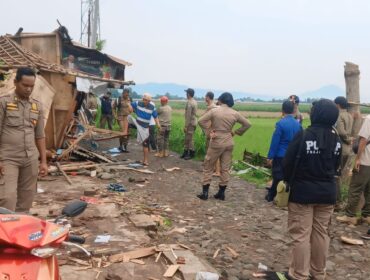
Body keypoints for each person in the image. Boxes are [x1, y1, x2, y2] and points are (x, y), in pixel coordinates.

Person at [283, 99, 341, 280]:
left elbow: (288, 163)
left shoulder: (304, 135)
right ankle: (318, 273)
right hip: (327, 193)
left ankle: (299, 274)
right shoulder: (336, 139)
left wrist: (287, 181)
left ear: (315, 114)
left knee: (300, 234)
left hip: (302, 193)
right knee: (321, 233)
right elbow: (337, 165)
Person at [0, 67, 48, 212]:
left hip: (30, 158)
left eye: (31, 86)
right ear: (15, 82)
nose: (28, 89)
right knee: (7, 198)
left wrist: (44, 162)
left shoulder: (37, 106)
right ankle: (4, 232)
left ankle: (20, 231)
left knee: (26, 198)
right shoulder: (4, 103)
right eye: (25, 85)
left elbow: (40, 135)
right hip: (8, 158)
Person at [197, 92, 251, 201]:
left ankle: (205, 193)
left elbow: (200, 121)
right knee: (225, 168)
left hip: (216, 140)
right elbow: (247, 124)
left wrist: (209, 131)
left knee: (208, 166)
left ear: (221, 100)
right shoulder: (235, 113)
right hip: (229, 141)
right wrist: (236, 132)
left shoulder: (214, 111)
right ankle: (221, 194)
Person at [337, 113, 370, 225]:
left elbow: (364, 140)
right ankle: (367, 215)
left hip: (366, 159)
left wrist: (358, 158)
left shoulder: (369, 119)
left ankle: (350, 215)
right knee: (369, 189)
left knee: (355, 187)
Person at [265, 100, 302, 202]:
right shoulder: (298, 125)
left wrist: (270, 156)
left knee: (277, 176)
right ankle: (287, 197)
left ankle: (272, 195)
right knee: (289, 176)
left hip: (281, 154)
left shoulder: (280, 124)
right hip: (293, 155)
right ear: (294, 111)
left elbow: (275, 141)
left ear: (282, 110)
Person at [131, 93, 161, 166]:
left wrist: (158, 125)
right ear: (143, 99)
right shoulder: (138, 103)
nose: (146, 102)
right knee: (128, 118)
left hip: (145, 127)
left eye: (148, 101)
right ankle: (125, 133)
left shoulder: (152, 106)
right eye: (145, 100)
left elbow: (155, 116)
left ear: (150, 101)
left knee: (145, 144)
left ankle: (145, 160)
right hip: (137, 124)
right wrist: (132, 110)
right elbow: (130, 105)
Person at [334, 96, 353, 204]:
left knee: (336, 174)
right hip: (348, 149)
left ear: (338, 105)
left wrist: (347, 139)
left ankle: (337, 200)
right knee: (339, 174)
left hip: (341, 146)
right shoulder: (349, 115)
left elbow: (341, 132)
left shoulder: (339, 115)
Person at [203, 91, 221, 176]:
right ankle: (213, 168)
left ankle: (217, 171)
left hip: (211, 132)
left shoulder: (212, 107)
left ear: (208, 97)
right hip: (212, 131)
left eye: (205, 96)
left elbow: (208, 121)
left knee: (213, 151)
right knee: (211, 150)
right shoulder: (215, 107)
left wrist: (208, 129)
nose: (204, 98)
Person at [113, 88, 133, 152]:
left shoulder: (130, 99)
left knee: (127, 132)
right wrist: (115, 116)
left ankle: (125, 146)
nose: (127, 96)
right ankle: (121, 146)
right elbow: (113, 108)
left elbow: (132, 109)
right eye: (126, 95)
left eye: (128, 95)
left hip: (127, 117)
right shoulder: (118, 99)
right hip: (120, 117)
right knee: (122, 131)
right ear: (123, 93)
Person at [181, 88, 198, 160]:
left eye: (186, 93)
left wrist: (186, 126)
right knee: (187, 138)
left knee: (190, 139)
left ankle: (191, 153)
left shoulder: (190, 103)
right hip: (193, 122)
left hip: (190, 123)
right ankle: (185, 153)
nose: (186, 94)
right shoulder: (194, 101)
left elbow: (188, 115)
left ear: (188, 94)